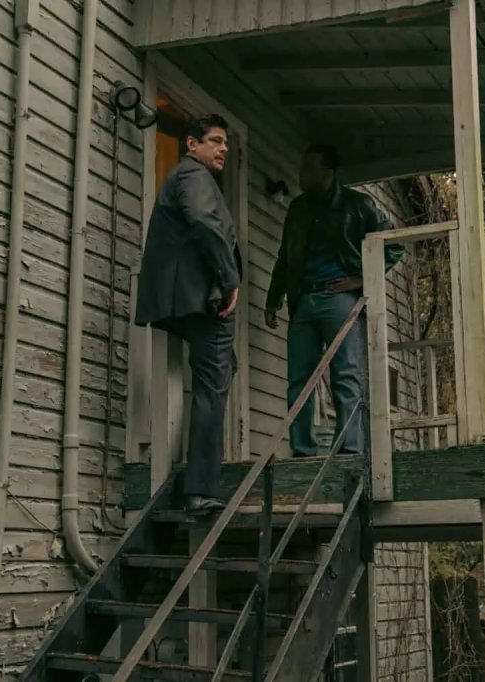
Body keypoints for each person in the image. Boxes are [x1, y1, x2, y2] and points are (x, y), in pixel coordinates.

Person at [265, 144, 403, 457]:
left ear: (327, 172)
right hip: (303, 299)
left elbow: (393, 244)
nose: (301, 174)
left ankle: (350, 447)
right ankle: (302, 448)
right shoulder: (298, 208)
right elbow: (285, 257)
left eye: (308, 168)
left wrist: (362, 279)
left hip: (339, 297)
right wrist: (273, 299)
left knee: (345, 373)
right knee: (299, 376)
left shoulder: (357, 205)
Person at [134, 114, 241, 514]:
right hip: (204, 299)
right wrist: (229, 279)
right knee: (214, 383)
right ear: (192, 144)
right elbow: (203, 221)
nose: (223, 148)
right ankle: (200, 488)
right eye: (215, 140)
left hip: (188, 299)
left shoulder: (183, 176)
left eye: (226, 143)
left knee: (222, 372)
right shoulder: (194, 176)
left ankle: (198, 476)